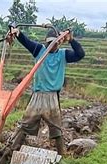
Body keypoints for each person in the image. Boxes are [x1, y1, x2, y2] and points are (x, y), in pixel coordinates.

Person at [7, 27, 85, 155]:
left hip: (52, 97)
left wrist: (71, 40)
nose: (51, 45)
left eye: (54, 42)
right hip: (37, 96)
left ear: (59, 42)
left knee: (56, 129)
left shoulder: (63, 54)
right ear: (45, 42)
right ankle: (11, 151)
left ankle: (61, 156)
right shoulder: (38, 50)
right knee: (25, 125)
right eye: (49, 43)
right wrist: (17, 33)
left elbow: (80, 55)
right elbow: (26, 41)